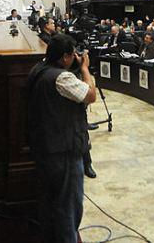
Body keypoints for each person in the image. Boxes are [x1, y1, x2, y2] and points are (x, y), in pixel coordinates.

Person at [26, 34, 95, 242]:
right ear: (65, 57)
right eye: (72, 54)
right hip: (63, 149)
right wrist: (84, 69)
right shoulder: (61, 78)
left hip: (45, 145)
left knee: (52, 200)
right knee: (69, 205)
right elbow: (90, 95)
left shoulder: (38, 69)